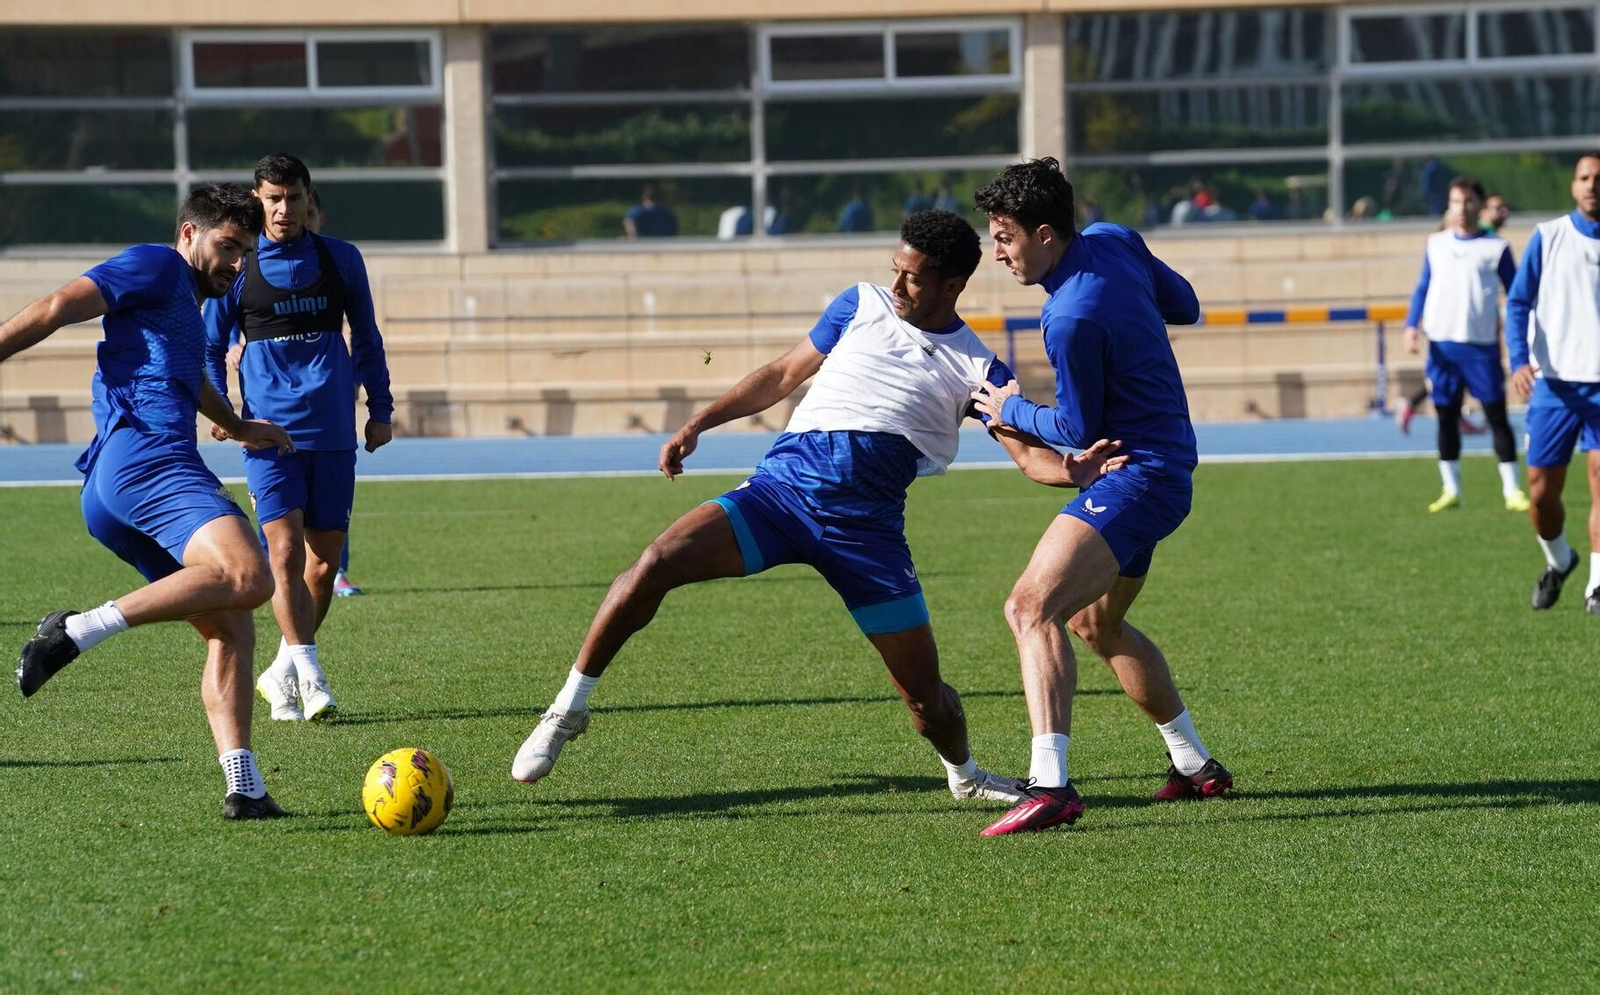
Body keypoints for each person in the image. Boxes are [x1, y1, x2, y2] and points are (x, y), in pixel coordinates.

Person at [510, 210, 1128, 805]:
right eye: (895, 268)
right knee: (657, 560)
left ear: (952, 284)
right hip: (779, 497)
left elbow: (1027, 459)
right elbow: (782, 374)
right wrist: (700, 423)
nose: (896, 284)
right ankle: (567, 709)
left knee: (924, 701)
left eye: (911, 276)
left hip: (868, 536)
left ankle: (963, 773)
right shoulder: (859, 304)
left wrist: (1071, 469)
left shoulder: (977, 366)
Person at [1, 183, 293, 819]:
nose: (237, 262)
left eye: (245, 252)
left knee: (231, 627)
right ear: (189, 234)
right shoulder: (158, 263)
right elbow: (57, 304)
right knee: (249, 574)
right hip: (146, 461)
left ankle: (243, 784)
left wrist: (239, 426)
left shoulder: (185, 304)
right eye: (227, 245)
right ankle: (77, 630)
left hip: (117, 489)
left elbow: (187, 379)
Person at [970, 157, 1232, 836]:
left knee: (1029, 607)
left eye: (1004, 237)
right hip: (1167, 469)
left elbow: (1079, 432)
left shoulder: (1068, 317)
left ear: (1047, 233)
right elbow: (1188, 306)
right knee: (1096, 624)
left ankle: (1051, 785)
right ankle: (1195, 764)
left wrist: (1010, 408)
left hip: (1135, 479)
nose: (996, 252)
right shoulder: (1115, 239)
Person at [203, 153, 394, 722]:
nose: (284, 209)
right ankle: (311, 675)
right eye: (272, 199)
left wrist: (379, 408)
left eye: (293, 197)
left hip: (334, 429)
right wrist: (227, 412)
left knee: (323, 567)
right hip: (268, 435)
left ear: (310, 198)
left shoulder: (342, 259)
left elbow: (366, 335)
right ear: (258, 202)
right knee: (282, 554)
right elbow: (211, 347)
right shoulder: (241, 267)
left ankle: (282, 668)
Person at [1506, 151, 1600, 612]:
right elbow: (1518, 301)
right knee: (1541, 495)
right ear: (1573, 185)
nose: (1592, 185)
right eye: (1584, 177)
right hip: (1556, 385)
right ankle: (1560, 562)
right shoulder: (1548, 237)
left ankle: (1597, 586)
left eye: (1598, 178)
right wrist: (1519, 360)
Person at [1401, 176, 1526, 514]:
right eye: (1455, 201)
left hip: (1480, 346)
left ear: (1479, 206)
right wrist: (1411, 325)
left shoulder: (1496, 247)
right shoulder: (1436, 243)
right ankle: (1451, 488)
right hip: (1442, 346)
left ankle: (1512, 489)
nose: (1460, 208)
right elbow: (1422, 287)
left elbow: (1516, 295)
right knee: (1446, 418)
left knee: (1496, 418)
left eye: (1468, 201)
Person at [1398, 193, 1513, 435]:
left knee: (1476, 374)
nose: (1503, 212)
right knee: (1456, 375)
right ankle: (1424, 406)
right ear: (1483, 210)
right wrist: (1412, 325)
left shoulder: (1494, 244)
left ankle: (1469, 413)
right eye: (1497, 207)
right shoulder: (1466, 235)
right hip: (1455, 324)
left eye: (1505, 207)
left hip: (1480, 320)